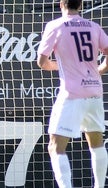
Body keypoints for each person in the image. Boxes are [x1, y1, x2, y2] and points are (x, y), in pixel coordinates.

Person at [37, 0, 108, 187]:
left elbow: (42, 62)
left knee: (55, 146)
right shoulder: (93, 26)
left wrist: (61, 67)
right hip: (94, 91)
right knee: (96, 142)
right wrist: (99, 69)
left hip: (71, 94)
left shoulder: (55, 25)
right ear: (81, 5)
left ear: (61, 4)